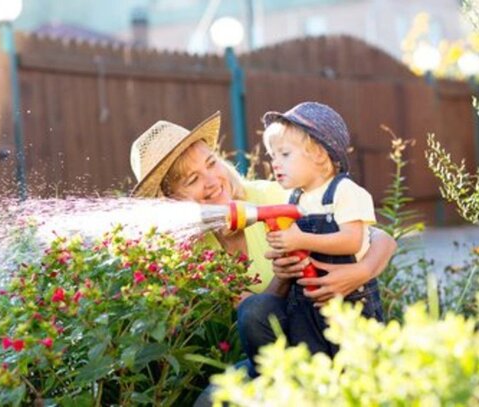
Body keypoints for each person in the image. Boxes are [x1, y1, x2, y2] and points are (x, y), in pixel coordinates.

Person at [129, 111, 396, 404]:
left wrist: (361, 272)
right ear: (172, 199)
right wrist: (283, 277)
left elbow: (381, 239)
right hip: (277, 354)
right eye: (192, 179)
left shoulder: (271, 196)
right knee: (211, 401)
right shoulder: (194, 253)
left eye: (211, 163)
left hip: (335, 329)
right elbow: (254, 316)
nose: (212, 181)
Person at [237, 101, 384, 364]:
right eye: (272, 156)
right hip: (305, 304)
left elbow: (352, 240)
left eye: (284, 154)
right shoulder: (294, 199)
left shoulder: (344, 191)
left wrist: (300, 239)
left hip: (349, 300)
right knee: (318, 366)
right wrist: (282, 252)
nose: (275, 164)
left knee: (357, 363)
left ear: (318, 154)